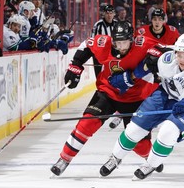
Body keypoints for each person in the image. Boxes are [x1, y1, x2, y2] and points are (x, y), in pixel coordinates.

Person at [50, 21, 164, 177]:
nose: (121, 47)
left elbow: (165, 50)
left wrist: (156, 57)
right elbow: (85, 45)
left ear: (132, 39)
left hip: (136, 99)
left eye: (125, 42)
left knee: (139, 144)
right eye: (118, 43)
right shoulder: (103, 43)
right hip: (108, 92)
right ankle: (64, 159)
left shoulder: (142, 43)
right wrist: (76, 65)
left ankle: (150, 158)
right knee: (86, 123)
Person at [99, 34, 184, 179]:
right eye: (180, 55)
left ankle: (151, 163)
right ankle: (115, 158)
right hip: (165, 93)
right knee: (134, 128)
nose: (182, 60)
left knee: (168, 131)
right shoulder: (168, 58)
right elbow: (150, 61)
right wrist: (130, 77)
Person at [90, 4, 121, 129]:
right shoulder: (98, 25)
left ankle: (115, 105)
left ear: (114, 14)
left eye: (111, 12)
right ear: (104, 13)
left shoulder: (117, 24)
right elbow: (92, 41)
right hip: (99, 58)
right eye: (107, 13)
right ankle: (102, 105)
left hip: (113, 58)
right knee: (101, 82)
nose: (109, 15)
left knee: (115, 81)